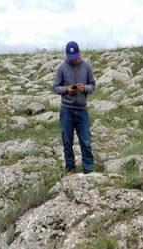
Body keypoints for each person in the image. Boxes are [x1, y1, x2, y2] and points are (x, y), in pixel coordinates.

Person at [52, 41, 96, 175]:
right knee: (67, 140)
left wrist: (85, 88)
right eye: (71, 58)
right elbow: (55, 87)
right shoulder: (62, 68)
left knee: (86, 141)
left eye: (75, 57)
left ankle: (88, 169)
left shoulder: (87, 67)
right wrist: (66, 89)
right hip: (67, 110)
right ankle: (70, 168)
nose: (73, 60)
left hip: (82, 110)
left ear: (79, 53)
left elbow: (93, 85)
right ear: (67, 55)